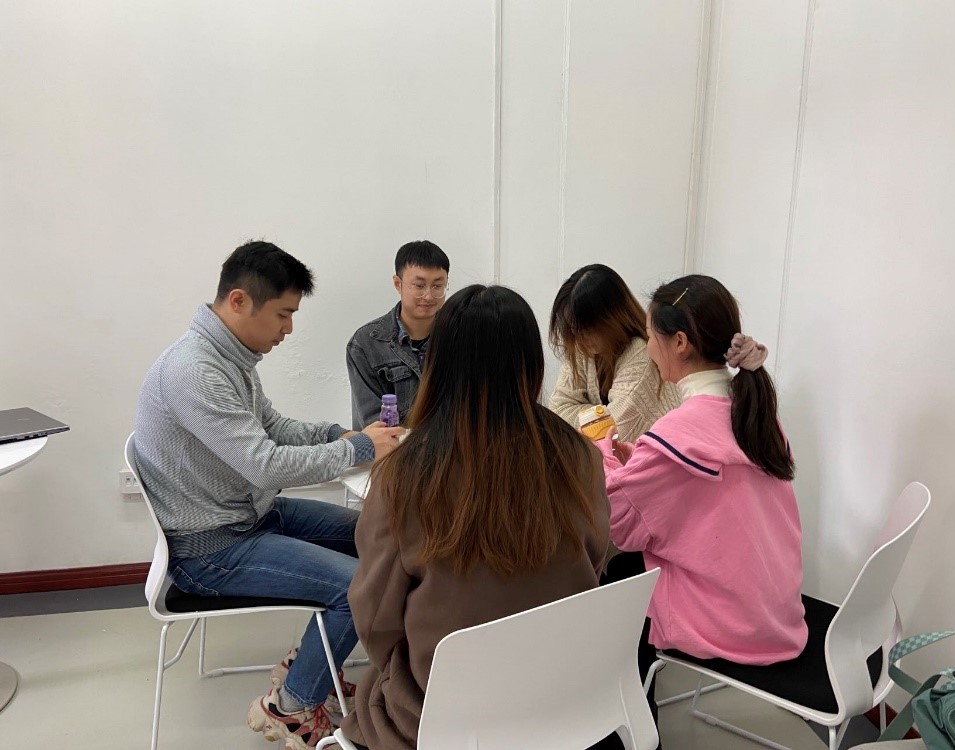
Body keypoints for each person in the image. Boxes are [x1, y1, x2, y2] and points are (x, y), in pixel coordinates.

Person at [133, 241, 404, 750]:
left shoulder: (229, 358)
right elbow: (265, 463)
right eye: (283, 314)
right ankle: (292, 705)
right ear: (239, 301)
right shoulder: (195, 371)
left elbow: (273, 428)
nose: (289, 329)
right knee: (357, 587)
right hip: (212, 548)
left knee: (376, 534)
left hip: (249, 515)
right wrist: (360, 448)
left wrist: (338, 435)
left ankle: (310, 666)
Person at [338, 285, 611, 750]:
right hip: (565, 696)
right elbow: (597, 557)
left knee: (371, 699)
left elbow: (376, 619)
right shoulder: (579, 456)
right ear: (532, 365)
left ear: (439, 364)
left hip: (446, 711)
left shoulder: (404, 474)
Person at [596, 274, 807, 668]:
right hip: (775, 613)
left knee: (619, 574)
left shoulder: (678, 433)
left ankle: (633, 700)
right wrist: (639, 462)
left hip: (726, 625)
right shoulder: (756, 415)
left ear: (680, 342)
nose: (649, 350)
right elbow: (705, 492)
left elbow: (616, 520)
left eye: (650, 337)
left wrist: (603, 457)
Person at [549, 264, 681, 443]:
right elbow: (557, 411)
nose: (579, 336)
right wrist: (599, 417)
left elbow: (613, 433)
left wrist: (587, 416)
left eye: (588, 327)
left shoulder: (641, 354)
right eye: (573, 328)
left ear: (613, 317)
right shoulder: (582, 347)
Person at [345, 241, 450, 430]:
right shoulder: (366, 344)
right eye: (419, 286)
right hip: (392, 447)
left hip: (451, 447)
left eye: (437, 286)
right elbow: (373, 424)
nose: (428, 296)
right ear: (398, 284)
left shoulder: (459, 336)